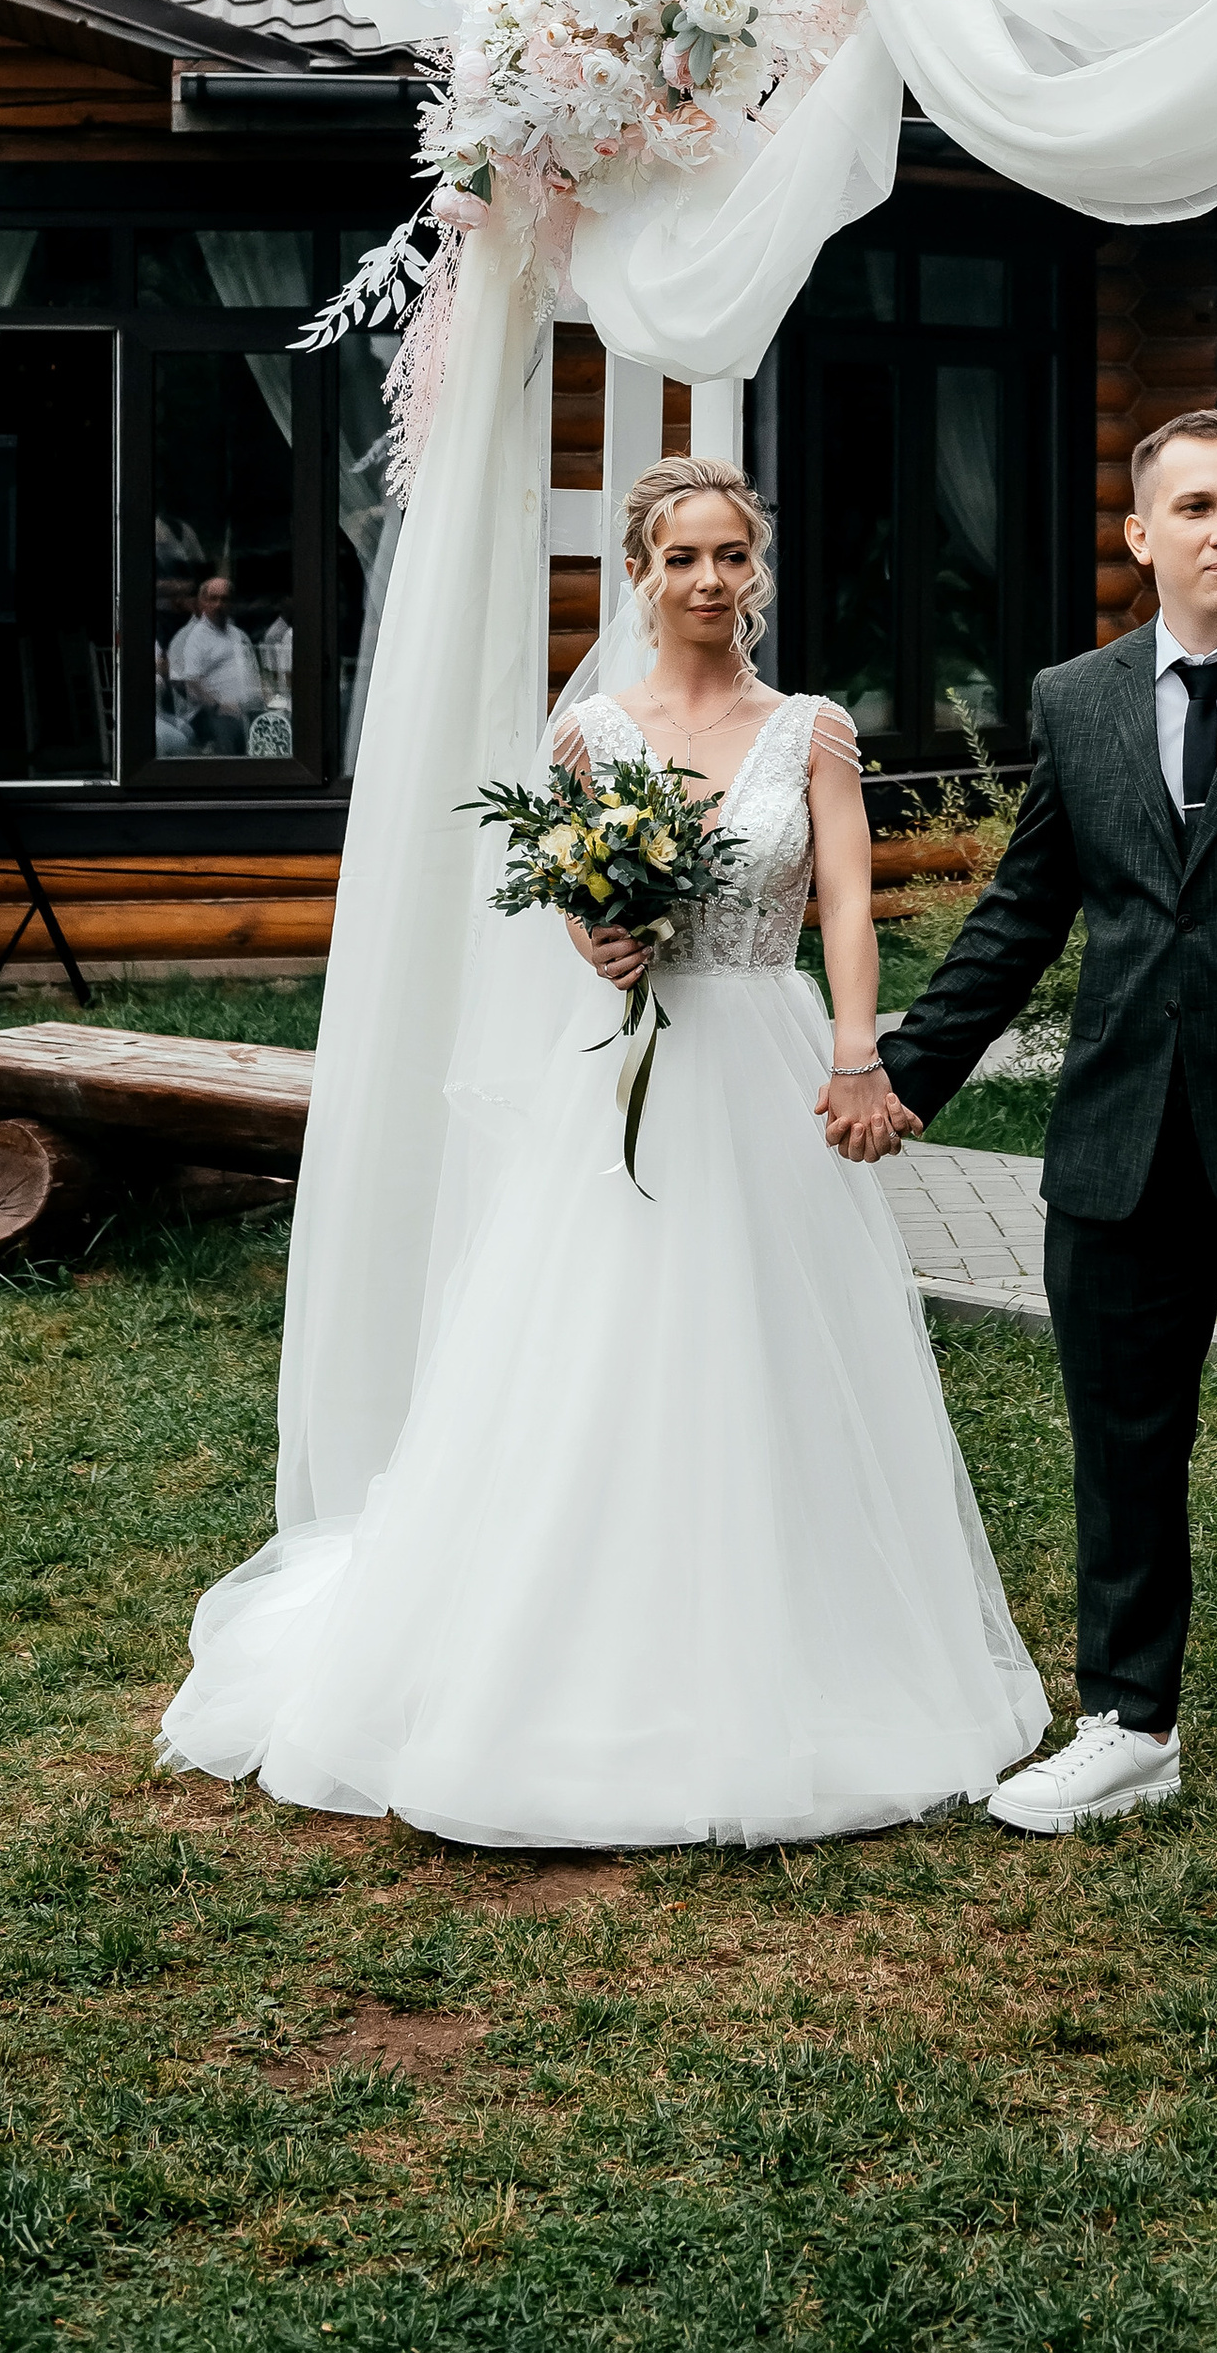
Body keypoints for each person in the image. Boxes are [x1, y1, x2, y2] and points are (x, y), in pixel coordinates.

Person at [158, 456, 1046, 1848]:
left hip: (767, 1060)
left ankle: (794, 1642)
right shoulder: (592, 744)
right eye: (680, 556)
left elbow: (850, 909)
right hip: (627, 1076)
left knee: (774, 1343)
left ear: (757, 571)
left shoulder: (810, 730)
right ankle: (573, 1645)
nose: (707, 580)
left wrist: (860, 1055)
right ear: (638, 574)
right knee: (600, 1341)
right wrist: (600, 936)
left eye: (730, 556)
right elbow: (568, 912)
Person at [845, 410, 1217, 1873]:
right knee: (1125, 1446)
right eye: (1194, 507)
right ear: (1141, 535)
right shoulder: (1078, 699)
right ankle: (1131, 1722)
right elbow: (1021, 913)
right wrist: (903, 1077)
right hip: (1119, 1145)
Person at [167, 572, 262, 751]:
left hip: (247, 708)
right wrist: (219, 706)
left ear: (232, 603)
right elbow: (187, 682)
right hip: (211, 712)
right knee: (230, 728)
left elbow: (253, 673)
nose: (219, 605)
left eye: (225, 599)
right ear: (202, 602)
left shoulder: (239, 635)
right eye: (213, 599)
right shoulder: (191, 637)